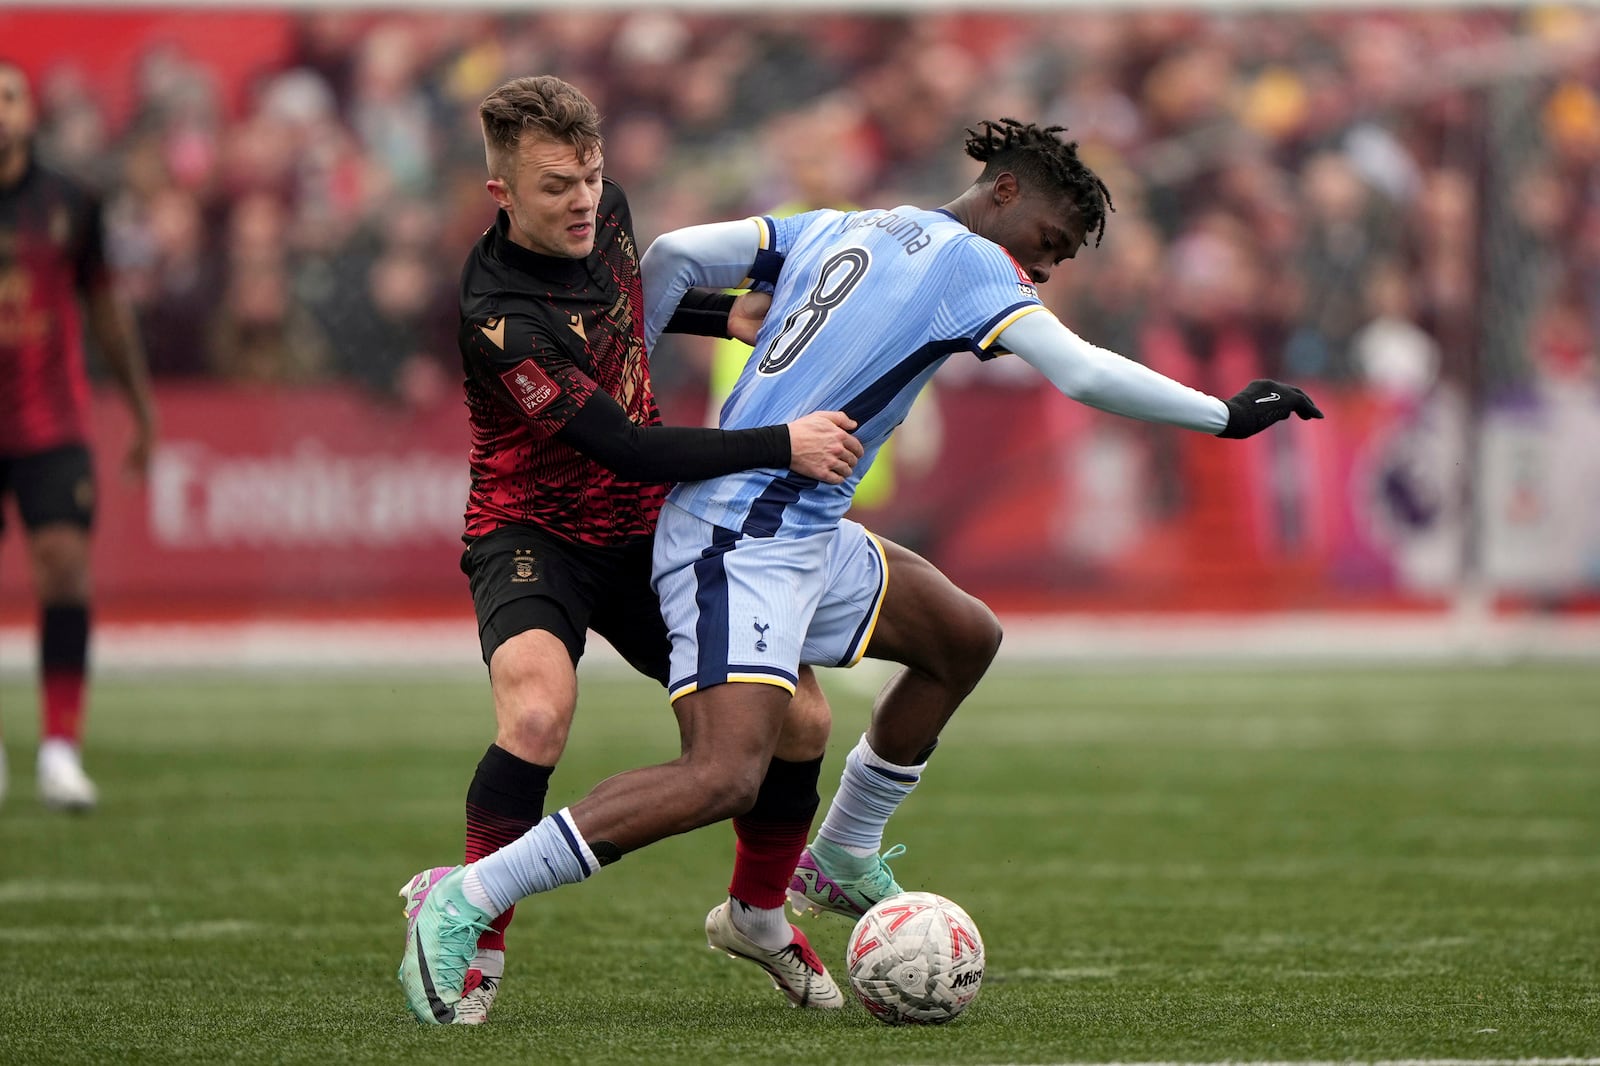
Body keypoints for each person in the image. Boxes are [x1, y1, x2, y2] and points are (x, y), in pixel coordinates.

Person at [396, 117, 1322, 1024]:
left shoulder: (847, 223)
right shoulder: (970, 263)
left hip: (804, 525)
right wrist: (1225, 416)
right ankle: (472, 894)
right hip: (740, 535)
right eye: (1049, 241)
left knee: (963, 636)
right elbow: (1078, 372)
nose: (1043, 270)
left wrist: (687, 325)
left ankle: (838, 853)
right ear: (1003, 193)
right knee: (722, 775)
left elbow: (674, 253)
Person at [412, 75, 862, 1025]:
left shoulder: (606, 213)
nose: (582, 201)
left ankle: (761, 916)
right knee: (537, 715)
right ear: (503, 194)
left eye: (590, 177)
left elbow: (624, 304)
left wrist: (717, 312)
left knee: (801, 722)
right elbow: (622, 443)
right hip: (530, 532)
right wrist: (783, 444)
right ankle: (472, 934)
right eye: (554, 187)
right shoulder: (497, 317)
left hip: (644, 533)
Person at [0, 59, 157, 812]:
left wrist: (140, 409)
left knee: (63, 569)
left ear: (30, 111)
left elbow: (104, 311)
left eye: (8, 97)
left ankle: (60, 749)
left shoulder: (71, 200)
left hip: (48, 421)